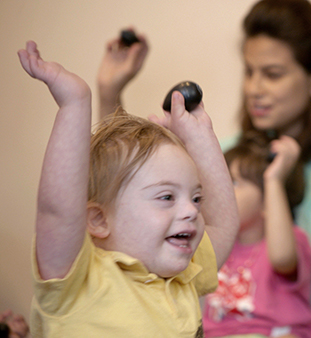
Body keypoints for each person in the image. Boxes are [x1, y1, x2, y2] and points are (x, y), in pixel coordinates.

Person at [97, 0, 311, 335]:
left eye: (272, 74)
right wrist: (110, 91)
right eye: (249, 72)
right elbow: (129, 183)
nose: (254, 89)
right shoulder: (236, 158)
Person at [18, 40, 238, 337]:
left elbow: (222, 224)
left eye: (196, 198)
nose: (191, 210)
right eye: (167, 197)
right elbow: (57, 214)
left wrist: (201, 139)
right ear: (98, 220)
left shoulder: (182, 275)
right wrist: (74, 104)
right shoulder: (77, 280)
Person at [203, 133, 311, 338]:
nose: (221, 191)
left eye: (234, 183)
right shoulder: (215, 245)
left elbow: (283, 259)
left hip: (276, 333)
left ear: (268, 200)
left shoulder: (289, 240)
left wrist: (273, 180)